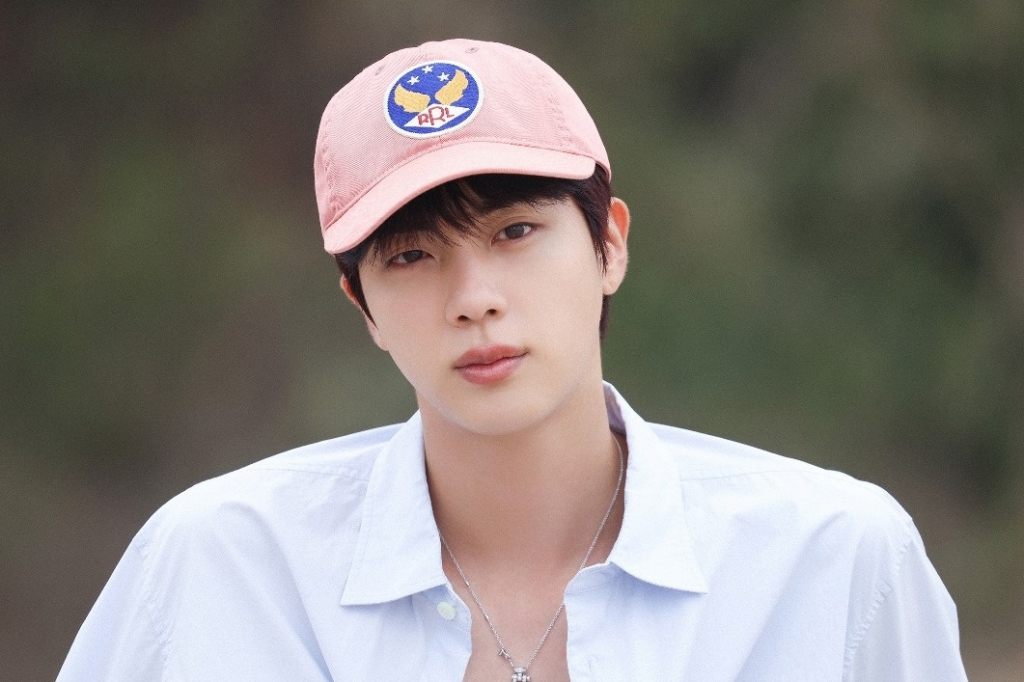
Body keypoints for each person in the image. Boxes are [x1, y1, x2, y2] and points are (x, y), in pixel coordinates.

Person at [58, 38, 968, 682]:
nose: (474, 296)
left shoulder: (831, 560)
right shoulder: (218, 566)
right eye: (411, 256)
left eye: (516, 231)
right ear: (360, 304)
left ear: (609, 245)